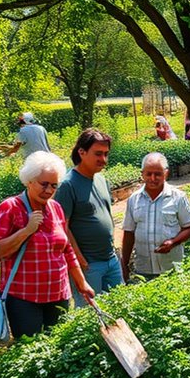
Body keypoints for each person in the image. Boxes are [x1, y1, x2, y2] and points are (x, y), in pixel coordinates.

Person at [0, 152, 95, 337]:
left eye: (54, 185)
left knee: (58, 346)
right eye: (43, 184)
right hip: (24, 298)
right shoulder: (10, 207)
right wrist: (26, 231)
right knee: (29, 349)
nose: (48, 190)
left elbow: (67, 249)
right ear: (29, 181)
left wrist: (82, 282)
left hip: (58, 294)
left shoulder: (56, 208)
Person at [55, 128, 122, 307]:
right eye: (98, 154)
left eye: (106, 154)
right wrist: (78, 259)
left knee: (120, 306)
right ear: (82, 152)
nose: (103, 159)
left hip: (111, 259)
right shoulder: (67, 185)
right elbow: (63, 227)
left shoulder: (101, 180)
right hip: (89, 264)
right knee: (91, 314)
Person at [121, 152, 190, 281]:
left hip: (171, 269)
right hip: (142, 269)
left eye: (158, 174)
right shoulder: (134, 200)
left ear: (166, 174)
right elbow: (129, 233)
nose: (153, 178)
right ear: (142, 174)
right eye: (148, 174)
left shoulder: (178, 197)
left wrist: (173, 242)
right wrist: (124, 264)